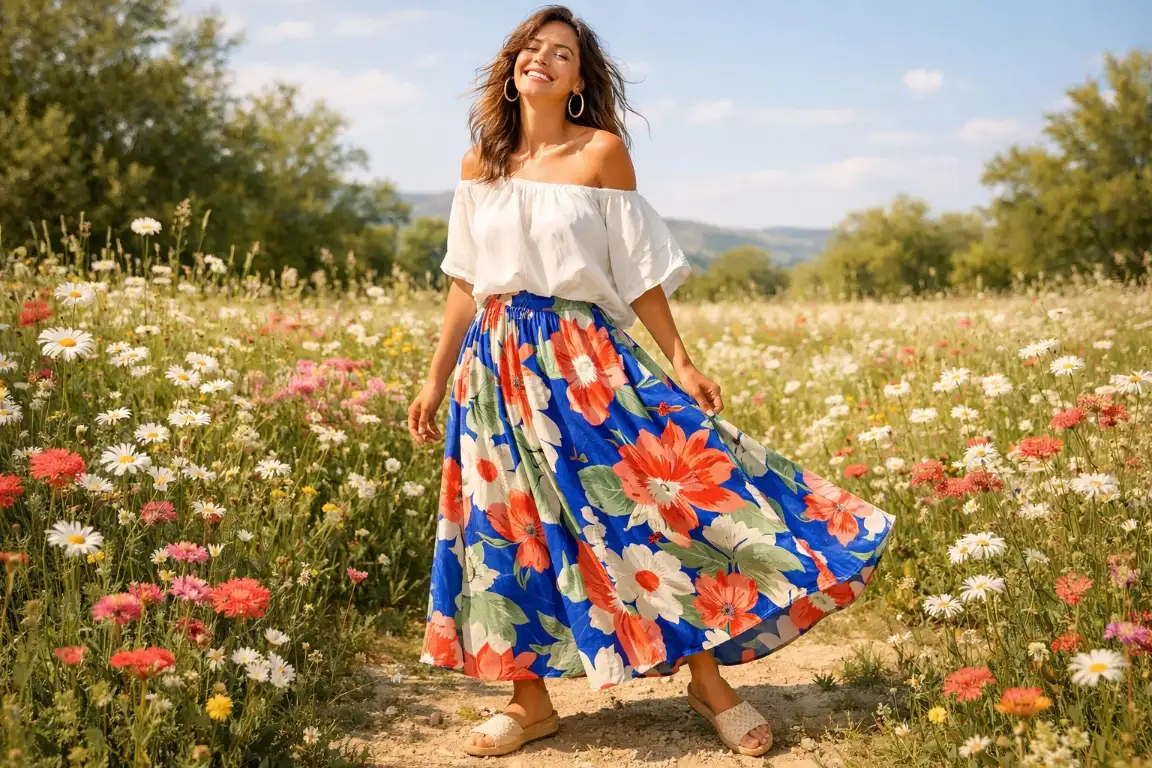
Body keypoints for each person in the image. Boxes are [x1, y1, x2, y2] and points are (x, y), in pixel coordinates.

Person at [407, 5, 895, 759]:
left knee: (643, 512)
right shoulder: (482, 165)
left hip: (582, 359)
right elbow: (466, 282)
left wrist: (683, 361)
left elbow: (638, 276)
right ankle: (527, 701)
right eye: (531, 48)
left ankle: (708, 683)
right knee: (508, 528)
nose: (543, 59)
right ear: (511, 67)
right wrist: (436, 377)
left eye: (561, 54)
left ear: (576, 81)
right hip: (495, 366)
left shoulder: (601, 153)